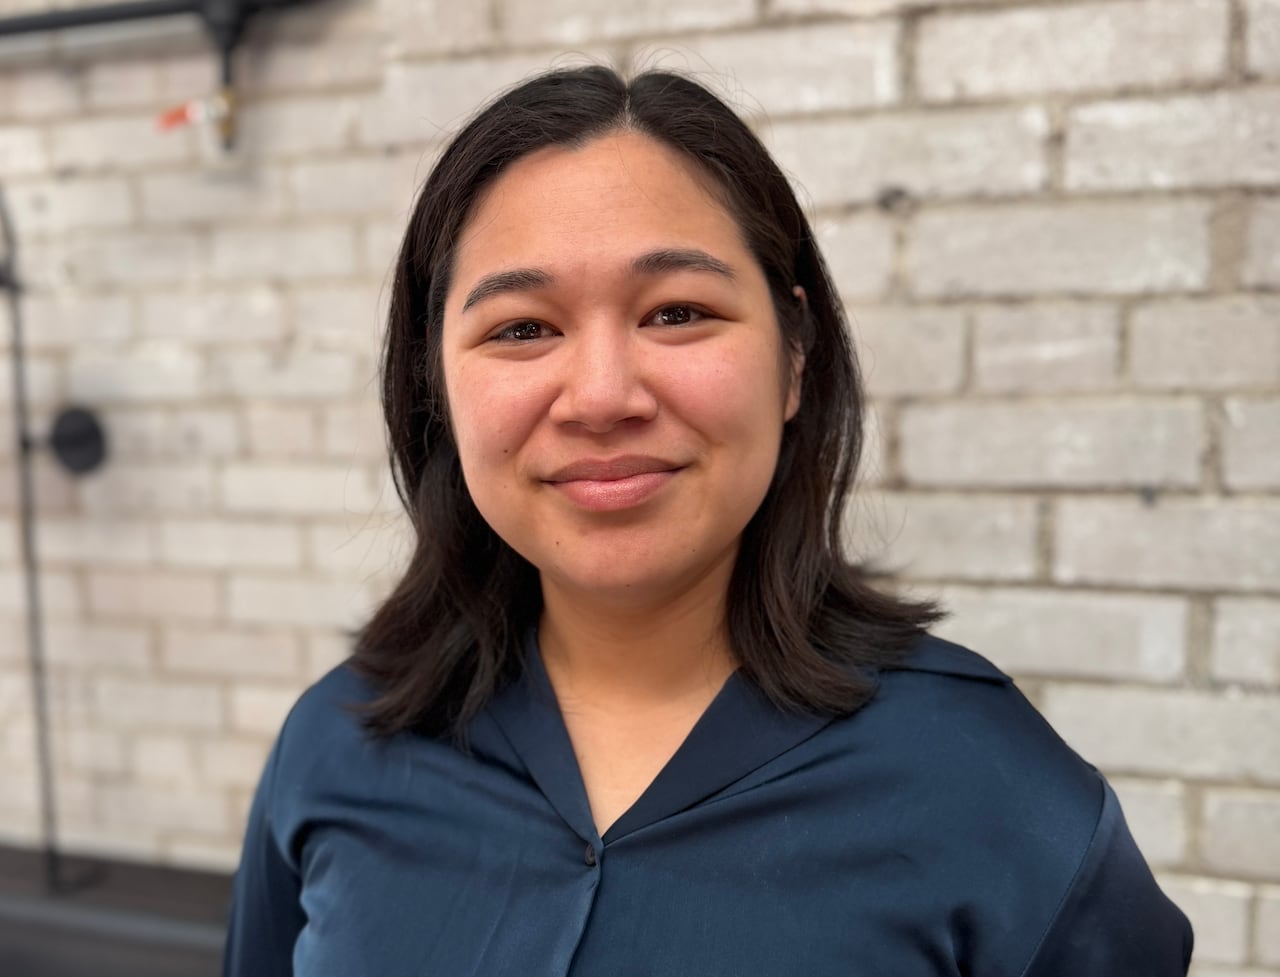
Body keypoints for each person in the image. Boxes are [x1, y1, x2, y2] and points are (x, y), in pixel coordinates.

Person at [222, 65, 1193, 975]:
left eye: (677, 312)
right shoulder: (337, 744)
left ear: (795, 359)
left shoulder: (988, 785)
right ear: (434, 384)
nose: (600, 395)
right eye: (522, 327)